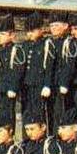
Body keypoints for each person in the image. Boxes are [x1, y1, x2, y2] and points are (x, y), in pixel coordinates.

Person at [22, 11, 55, 142]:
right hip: (27, 84)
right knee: (27, 112)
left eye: (33, 30)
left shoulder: (47, 44)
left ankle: (42, 137)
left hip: (40, 84)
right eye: (28, 31)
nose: (30, 34)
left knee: (40, 112)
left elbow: (49, 66)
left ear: (41, 30)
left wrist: (47, 84)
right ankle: (27, 138)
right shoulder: (25, 45)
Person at [0, 14, 25, 135]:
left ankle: (9, 136)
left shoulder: (16, 50)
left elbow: (18, 70)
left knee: (7, 114)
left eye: (2, 34)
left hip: (8, 89)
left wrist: (13, 87)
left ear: (12, 35)